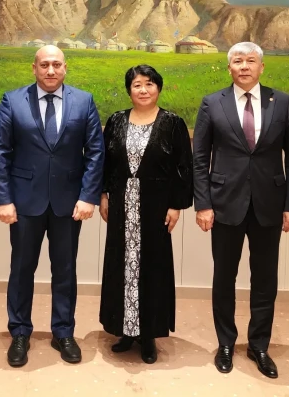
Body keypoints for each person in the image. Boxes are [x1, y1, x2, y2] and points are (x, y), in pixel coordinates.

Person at [192, 41, 289, 379]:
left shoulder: (281, 102)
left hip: (269, 204)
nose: (244, 66)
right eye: (238, 61)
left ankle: (259, 345)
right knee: (224, 277)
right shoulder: (213, 103)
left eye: (251, 61)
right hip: (224, 204)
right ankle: (226, 343)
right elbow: (200, 159)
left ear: (261, 67)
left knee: (265, 278)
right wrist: (203, 204)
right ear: (229, 67)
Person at [0, 45, 105, 367]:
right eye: (44, 65)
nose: (50, 70)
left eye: (56, 64)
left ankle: (63, 332)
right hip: (24, 201)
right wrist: (3, 199)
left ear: (65, 67)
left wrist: (88, 196)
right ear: (34, 68)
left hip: (69, 203)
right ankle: (20, 333)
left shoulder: (84, 101)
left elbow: (95, 151)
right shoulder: (12, 101)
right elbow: (0, 151)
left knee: (65, 270)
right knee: (21, 269)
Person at [98, 65, 193, 364]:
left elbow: (183, 167)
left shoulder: (172, 123)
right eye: (137, 84)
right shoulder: (116, 120)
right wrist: (103, 194)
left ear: (158, 88)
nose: (143, 90)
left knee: (153, 266)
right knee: (121, 265)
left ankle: (148, 334)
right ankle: (125, 330)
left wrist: (176, 205)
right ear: (129, 90)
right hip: (121, 207)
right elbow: (105, 162)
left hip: (155, 207)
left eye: (149, 84)